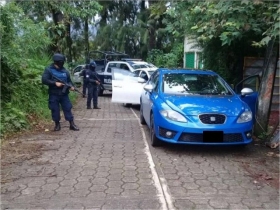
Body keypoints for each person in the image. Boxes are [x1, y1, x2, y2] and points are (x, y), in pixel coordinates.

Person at [41, 53, 79, 131]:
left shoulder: (65, 71)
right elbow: (44, 80)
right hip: (53, 93)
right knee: (55, 109)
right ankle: (57, 125)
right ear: (58, 62)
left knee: (68, 108)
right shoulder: (49, 70)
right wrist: (55, 83)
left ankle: (72, 124)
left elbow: (69, 81)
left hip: (64, 94)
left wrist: (72, 87)